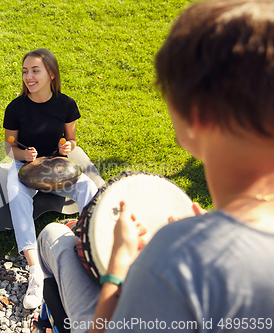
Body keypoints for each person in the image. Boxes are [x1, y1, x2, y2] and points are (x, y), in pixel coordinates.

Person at [37, 0, 274, 332]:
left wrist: (117, 268)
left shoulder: (175, 261)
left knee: (54, 237)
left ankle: (51, 323)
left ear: (195, 117)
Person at [3, 48, 99, 310]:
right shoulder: (16, 108)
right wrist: (23, 153)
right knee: (16, 193)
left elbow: (71, 139)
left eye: (35, 71)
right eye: (25, 71)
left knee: (88, 186)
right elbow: (9, 146)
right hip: (25, 164)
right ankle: (36, 270)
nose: (28, 77)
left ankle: (91, 246)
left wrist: (67, 147)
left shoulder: (66, 105)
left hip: (57, 165)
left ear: (51, 74)